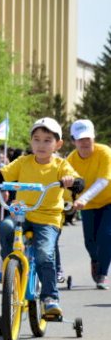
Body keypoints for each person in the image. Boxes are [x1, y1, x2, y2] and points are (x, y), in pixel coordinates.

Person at [0, 117, 83, 317]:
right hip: (21, 214)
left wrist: (72, 181)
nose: (41, 144)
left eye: (47, 140)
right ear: (30, 141)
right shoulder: (23, 162)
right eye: (37, 139)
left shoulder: (60, 165)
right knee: (6, 227)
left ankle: (50, 298)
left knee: (44, 253)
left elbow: (77, 181)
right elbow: (3, 174)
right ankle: (10, 266)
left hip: (48, 218)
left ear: (57, 144)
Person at [66, 119, 111, 289]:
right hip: (87, 206)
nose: (85, 143)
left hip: (108, 201)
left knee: (106, 236)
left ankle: (103, 274)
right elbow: (67, 187)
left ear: (94, 138)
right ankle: (95, 259)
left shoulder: (105, 152)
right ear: (73, 141)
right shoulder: (70, 159)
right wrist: (69, 201)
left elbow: (103, 181)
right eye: (80, 139)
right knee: (90, 241)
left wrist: (83, 198)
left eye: (88, 139)